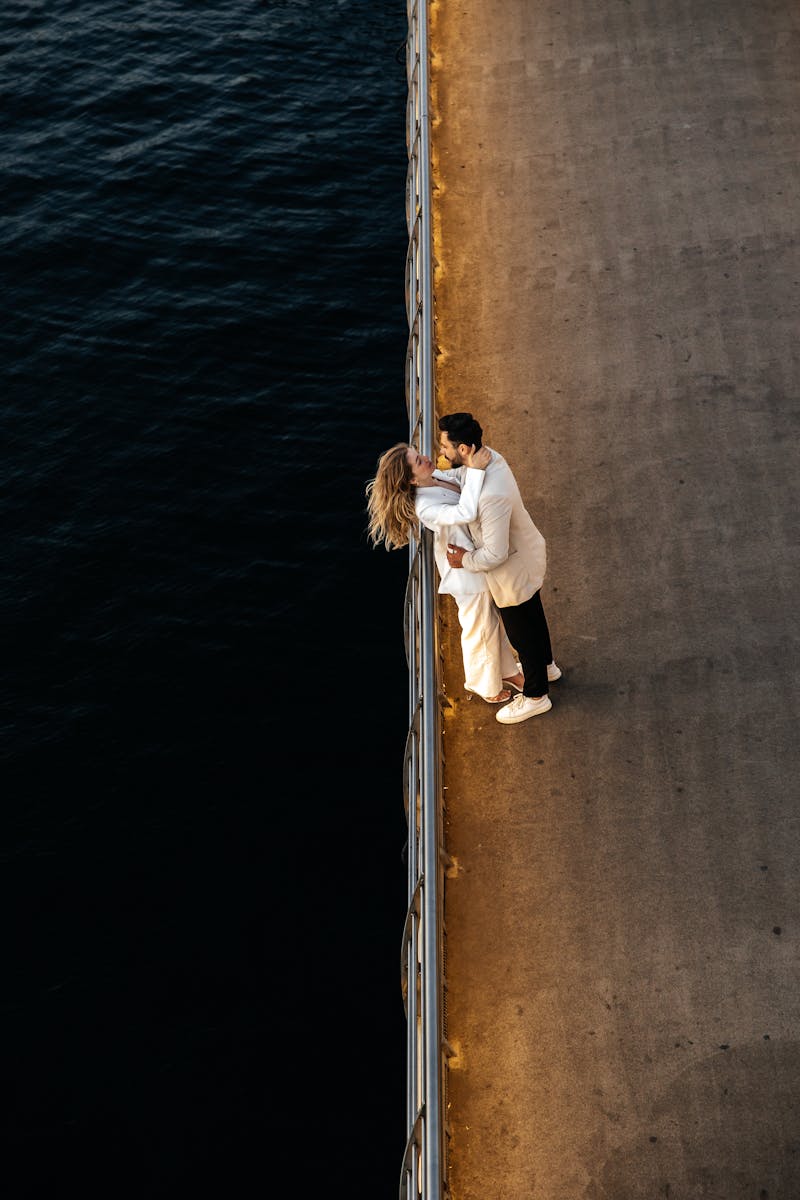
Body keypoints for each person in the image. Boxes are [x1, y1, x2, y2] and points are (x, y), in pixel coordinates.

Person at [365, 441, 524, 703]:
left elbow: (459, 480)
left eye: (420, 455)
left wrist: (471, 465)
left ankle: (507, 673)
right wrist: (476, 471)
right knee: (479, 628)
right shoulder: (425, 507)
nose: (427, 459)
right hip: (465, 572)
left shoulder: (434, 477)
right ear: (412, 481)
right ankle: (484, 686)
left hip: (473, 560)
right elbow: (465, 511)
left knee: (490, 624)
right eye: (418, 462)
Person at [437, 411, 561, 725]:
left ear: (463, 449)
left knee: (522, 635)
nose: (441, 453)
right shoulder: (487, 458)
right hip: (526, 556)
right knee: (533, 617)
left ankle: (536, 696)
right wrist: (432, 479)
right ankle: (547, 668)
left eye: (445, 447)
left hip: (512, 571)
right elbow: (462, 479)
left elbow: (494, 554)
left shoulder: (490, 496)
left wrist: (462, 560)